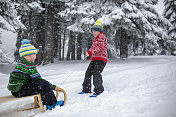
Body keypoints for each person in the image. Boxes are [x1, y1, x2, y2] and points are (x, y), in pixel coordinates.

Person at [7, 39, 62, 110]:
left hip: (15, 91)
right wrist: (53, 87)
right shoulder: (29, 65)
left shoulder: (21, 64)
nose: (36, 56)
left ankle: (42, 101)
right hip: (20, 91)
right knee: (43, 84)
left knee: (37, 84)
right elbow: (38, 79)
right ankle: (51, 104)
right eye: (35, 54)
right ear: (29, 55)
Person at [79, 19, 108, 97]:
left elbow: (100, 47)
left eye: (95, 31)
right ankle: (86, 89)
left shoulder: (102, 37)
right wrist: (89, 52)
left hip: (101, 59)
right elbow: (92, 48)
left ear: (99, 31)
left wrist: (91, 52)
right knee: (88, 72)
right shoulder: (95, 39)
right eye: (93, 31)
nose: (94, 33)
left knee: (96, 73)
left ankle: (99, 90)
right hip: (94, 59)